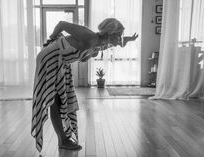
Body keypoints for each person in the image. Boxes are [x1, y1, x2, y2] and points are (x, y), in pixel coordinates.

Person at [31, 18, 138, 152]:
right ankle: (62, 140)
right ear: (110, 33)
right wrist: (51, 40)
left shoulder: (100, 44)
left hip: (61, 61)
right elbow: (61, 24)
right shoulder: (89, 37)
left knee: (62, 98)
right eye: (119, 35)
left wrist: (127, 40)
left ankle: (63, 139)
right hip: (49, 58)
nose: (120, 38)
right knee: (55, 99)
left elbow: (116, 43)